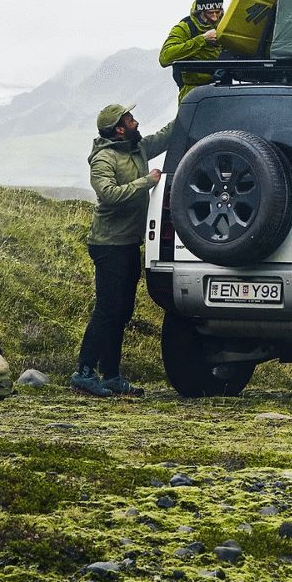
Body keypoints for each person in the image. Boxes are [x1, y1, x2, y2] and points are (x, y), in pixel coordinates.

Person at [71, 102, 173, 397]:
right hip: (108, 245)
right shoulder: (103, 158)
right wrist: (147, 182)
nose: (136, 121)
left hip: (129, 243)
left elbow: (166, 135)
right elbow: (109, 194)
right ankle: (84, 373)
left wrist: (191, 98)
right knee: (107, 311)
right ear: (119, 128)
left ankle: (111, 375)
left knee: (122, 312)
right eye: (130, 119)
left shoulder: (136, 148)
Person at [159, 0, 224, 102]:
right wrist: (202, 40)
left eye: (218, 12)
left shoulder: (225, 24)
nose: (215, 17)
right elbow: (165, 57)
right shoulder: (185, 28)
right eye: (210, 13)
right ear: (201, 11)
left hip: (221, 89)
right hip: (192, 93)